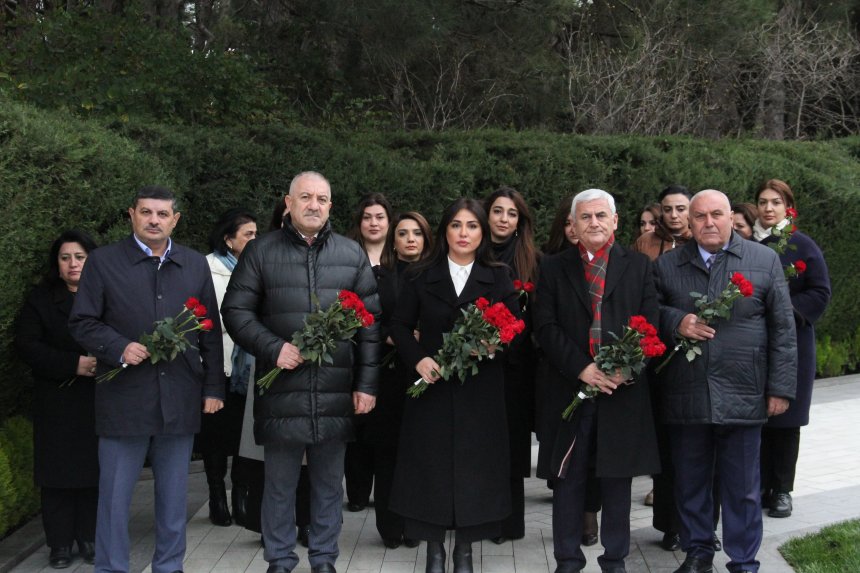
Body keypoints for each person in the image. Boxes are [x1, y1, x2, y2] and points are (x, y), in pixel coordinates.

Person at [222, 171, 381, 573]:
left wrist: (366, 385)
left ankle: (324, 559)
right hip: (282, 391)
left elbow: (370, 325)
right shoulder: (260, 251)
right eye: (305, 197)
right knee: (279, 485)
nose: (314, 205)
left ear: (330, 206)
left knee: (328, 485)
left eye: (322, 199)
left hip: (335, 391)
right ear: (288, 203)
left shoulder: (351, 254)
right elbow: (236, 311)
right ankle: (279, 559)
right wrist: (273, 347)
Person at [69, 186, 224, 573]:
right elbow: (82, 321)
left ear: (175, 219)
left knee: (174, 499)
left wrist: (213, 388)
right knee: (115, 498)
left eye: (162, 214)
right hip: (124, 398)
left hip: (180, 396)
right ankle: (111, 568)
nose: (154, 220)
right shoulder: (103, 262)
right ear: (132, 215)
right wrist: (119, 347)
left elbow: (209, 330)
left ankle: (169, 567)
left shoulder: (193, 264)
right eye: (146, 212)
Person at [653, 189, 797, 573]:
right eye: (700, 216)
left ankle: (744, 561)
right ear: (689, 222)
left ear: (731, 217)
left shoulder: (763, 260)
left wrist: (781, 389)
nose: (709, 223)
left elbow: (783, 330)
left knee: (743, 488)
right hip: (687, 392)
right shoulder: (667, 265)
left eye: (717, 214)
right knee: (690, 483)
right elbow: (649, 312)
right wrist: (676, 321)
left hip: (744, 392)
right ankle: (698, 553)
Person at [389, 198, 518, 573]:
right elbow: (399, 326)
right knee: (429, 471)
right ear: (444, 231)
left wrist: (493, 344)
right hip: (431, 389)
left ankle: (464, 551)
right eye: (456, 225)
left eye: (472, 226)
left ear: (482, 232)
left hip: (479, 393)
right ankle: (434, 551)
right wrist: (419, 359)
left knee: (475, 472)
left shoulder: (498, 275)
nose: (464, 233)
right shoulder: (420, 274)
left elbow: (515, 328)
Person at [534, 188, 660, 573]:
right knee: (567, 482)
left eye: (601, 215)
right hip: (569, 391)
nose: (594, 223)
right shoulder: (552, 267)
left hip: (621, 394)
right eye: (585, 217)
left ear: (615, 221)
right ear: (572, 225)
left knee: (617, 484)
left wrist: (626, 368)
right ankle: (567, 561)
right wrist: (582, 368)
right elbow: (545, 327)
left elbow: (650, 323)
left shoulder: (638, 266)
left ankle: (615, 561)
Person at [16, 230, 100, 569]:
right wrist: (73, 364)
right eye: (65, 258)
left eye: (80, 257)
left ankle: (90, 538)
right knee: (57, 477)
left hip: (97, 399)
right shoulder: (40, 299)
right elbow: (27, 346)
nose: (73, 264)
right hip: (57, 400)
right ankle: (60, 544)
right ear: (57, 263)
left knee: (94, 472)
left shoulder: (105, 294)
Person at [753, 179, 831, 519]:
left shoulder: (802, 245)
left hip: (793, 343)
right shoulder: (746, 244)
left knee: (786, 419)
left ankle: (782, 489)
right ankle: (759, 485)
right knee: (757, 418)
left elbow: (820, 291)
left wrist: (785, 312)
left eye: (775, 202)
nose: (768, 208)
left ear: (788, 207)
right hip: (754, 345)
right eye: (763, 202)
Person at [365, 211, 433, 548]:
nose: (410, 239)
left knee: (421, 453)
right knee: (388, 452)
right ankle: (390, 526)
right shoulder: (379, 276)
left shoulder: (438, 276)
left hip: (428, 375)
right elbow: (366, 319)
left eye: (417, 233)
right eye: (403, 233)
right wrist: (394, 337)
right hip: (390, 374)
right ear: (393, 241)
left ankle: (416, 523)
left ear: (426, 239)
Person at [483, 186, 539, 544]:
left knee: (511, 449)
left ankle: (509, 524)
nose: (504, 219)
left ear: (520, 221)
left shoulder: (534, 261)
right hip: (480, 364)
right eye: (498, 211)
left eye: (512, 213)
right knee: (481, 445)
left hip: (518, 369)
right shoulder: (472, 252)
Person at [201, 208, 259, 527]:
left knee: (242, 436)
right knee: (215, 437)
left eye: (256, 234)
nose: (255, 239)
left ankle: (240, 494)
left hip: (249, 367)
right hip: (219, 366)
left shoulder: (257, 266)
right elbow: (205, 318)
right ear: (228, 239)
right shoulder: (207, 268)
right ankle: (216, 496)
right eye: (248, 234)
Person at [344, 193, 393, 512]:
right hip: (354, 355)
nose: (373, 223)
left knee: (385, 427)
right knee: (357, 427)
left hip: (392, 359)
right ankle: (358, 493)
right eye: (367, 217)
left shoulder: (399, 260)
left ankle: (387, 493)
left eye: (380, 217)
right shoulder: (347, 257)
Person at [633, 185, 693, 259]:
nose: (674, 215)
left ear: (691, 210)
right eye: (667, 210)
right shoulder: (644, 241)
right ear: (661, 211)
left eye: (680, 209)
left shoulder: (700, 240)